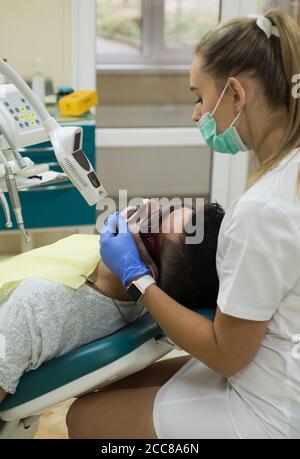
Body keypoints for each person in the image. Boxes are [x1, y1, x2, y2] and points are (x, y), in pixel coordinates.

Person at [67, 9, 300, 440]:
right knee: (104, 391)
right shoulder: (286, 172)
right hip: (267, 364)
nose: (197, 115)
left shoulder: (264, 209)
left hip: (268, 409)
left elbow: (226, 355)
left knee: (86, 419)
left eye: (199, 96)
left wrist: (138, 281)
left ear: (235, 94)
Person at [0, 202, 224, 403]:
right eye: (168, 208)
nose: (149, 204)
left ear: (149, 274)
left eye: (153, 225)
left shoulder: (34, 308)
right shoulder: (142, 301)